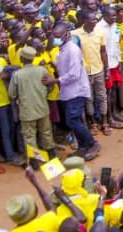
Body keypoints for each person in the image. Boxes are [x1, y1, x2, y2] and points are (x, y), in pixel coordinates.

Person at [52, 21, 101, 161]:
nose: (55, 38)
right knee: (75, 120)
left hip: (77, 91)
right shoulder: (62, 50)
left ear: (66, 35)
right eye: (54, 35)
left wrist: (55, 81)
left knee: (72, 120)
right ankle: (82, 147)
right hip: (68, 92)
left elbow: (73, 74)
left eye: (58, 36)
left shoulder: (72, 50)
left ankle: (92, 144)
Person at [8, 45, 56, 159]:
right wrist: (44, 94)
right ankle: (52, 157)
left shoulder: (17, 75)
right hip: (42, 107)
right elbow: (51, 85)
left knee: (29, 137)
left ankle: (34, 162)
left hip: (26, 111)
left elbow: (11, 94)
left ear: (22, 59)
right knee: (46, 133)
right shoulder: (42, 70)